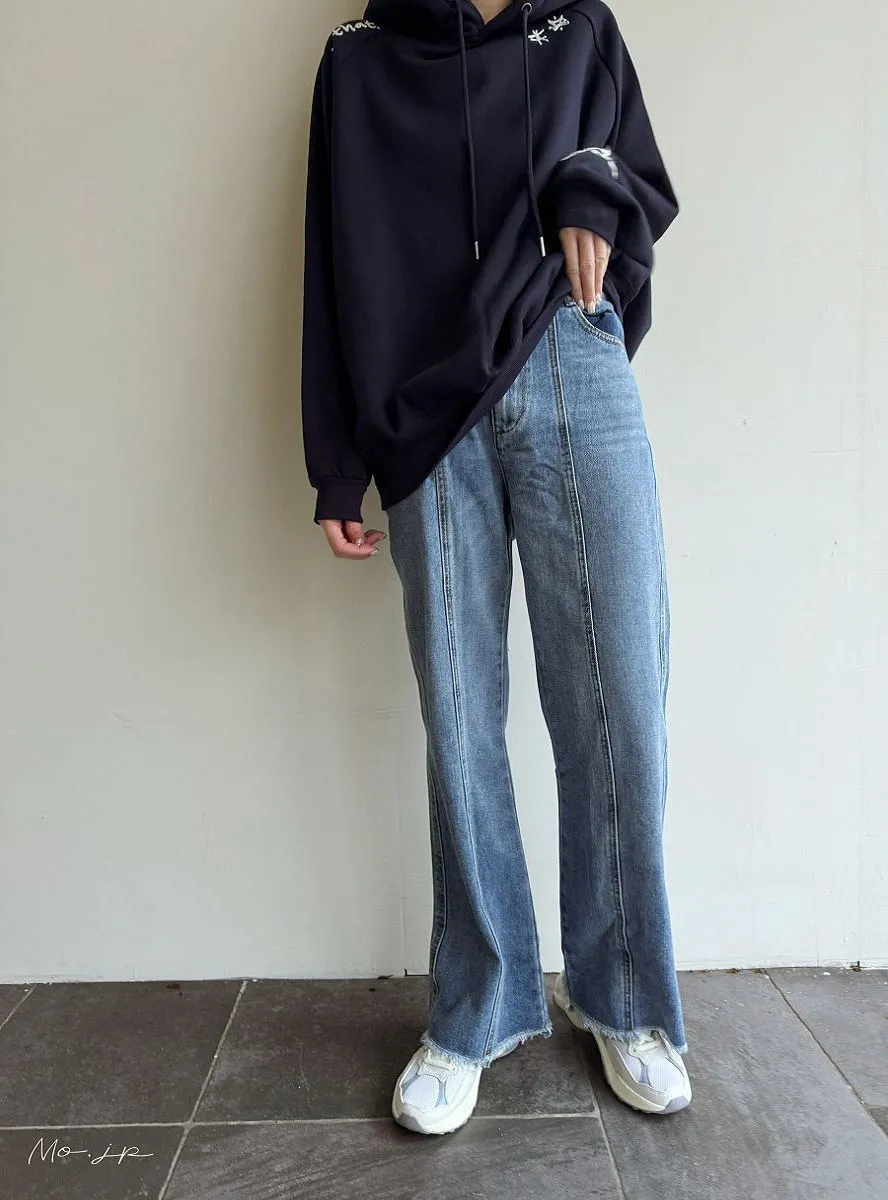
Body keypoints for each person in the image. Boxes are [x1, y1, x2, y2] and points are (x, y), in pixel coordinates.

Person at [300, 0, 692, 1135]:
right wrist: (335, 463)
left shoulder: (581, 29)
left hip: (569, 354)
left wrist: (587, 188)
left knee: (619, 701)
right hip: (423, 412)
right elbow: (330, 259)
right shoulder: (358, 63)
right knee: (461, 714)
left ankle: (625, 1001)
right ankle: (478, 1005)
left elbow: (639, 176)